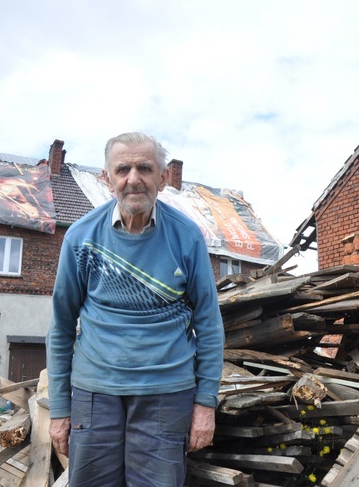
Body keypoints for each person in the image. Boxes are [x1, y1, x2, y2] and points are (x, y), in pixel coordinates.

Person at [46, 132, 225, 486]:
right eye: (123, 169)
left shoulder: (187, 237)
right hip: (95, 393)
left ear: (162, 178)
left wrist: (205, 404)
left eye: (144, 168)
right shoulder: (81, 237)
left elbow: (209, 324)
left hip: (166, 393)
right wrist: (59, 410)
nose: (133, 179)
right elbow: (61, 326)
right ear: (106, 177)